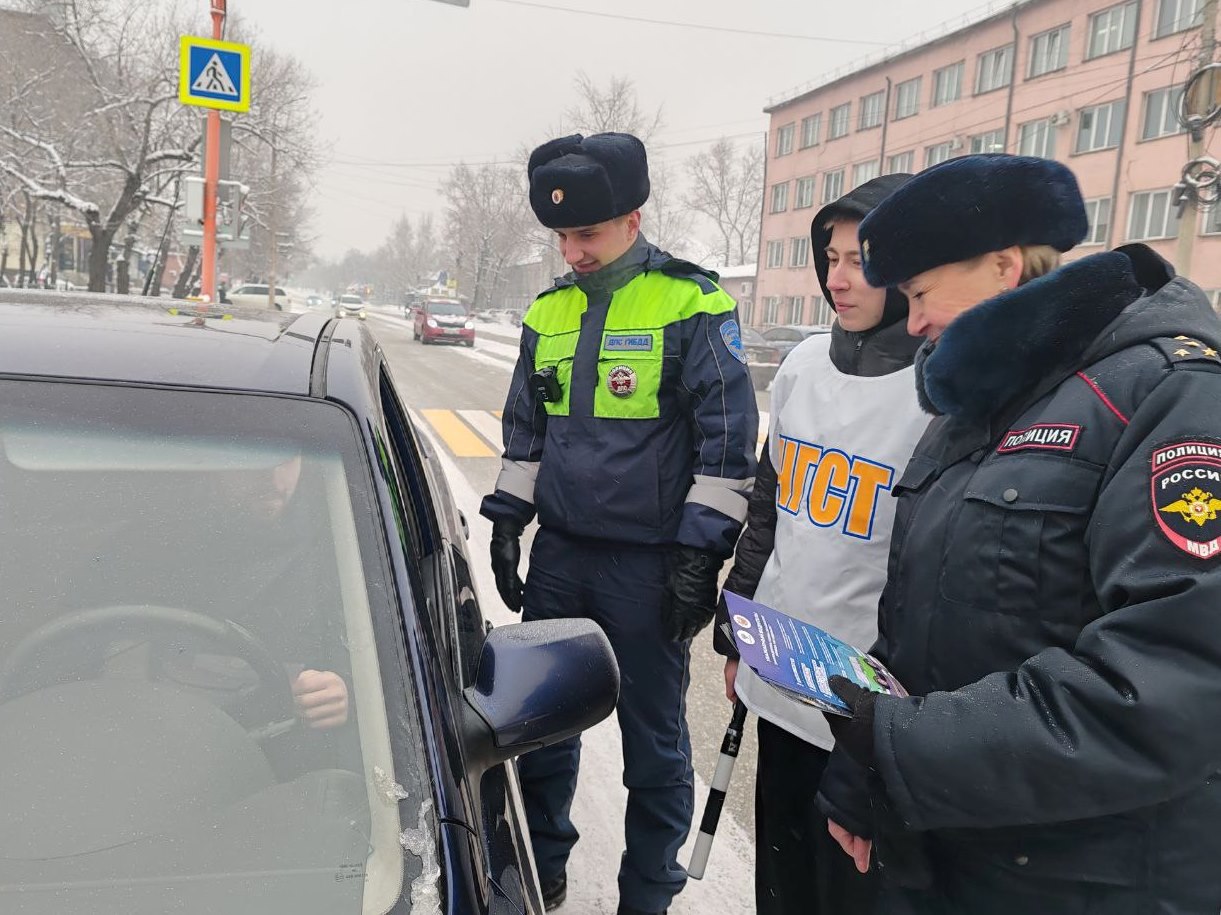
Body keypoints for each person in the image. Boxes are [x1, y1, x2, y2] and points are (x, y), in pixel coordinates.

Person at [817, 153, 1221, 914]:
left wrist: (903, 746)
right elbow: (923, 619)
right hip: (959, 850)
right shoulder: (976, 407)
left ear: (1002, 267)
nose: (914, 322)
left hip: (1091, 881)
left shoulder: (1170, 397)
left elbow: (1170, 685)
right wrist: (866, 764)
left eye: (920, 291)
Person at [480, 131, 758, 915]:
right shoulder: (548, 311)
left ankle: (647, 893)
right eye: (562, 236)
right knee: (542, 727)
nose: (572, 251)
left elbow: (728, 445)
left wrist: (700, 558)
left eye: (587, 234)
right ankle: (545, 863)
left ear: (632, 220)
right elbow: (525, 434)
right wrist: (508, 521)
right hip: (562, 557)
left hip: (647, 566)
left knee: (654, 746)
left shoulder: (690, 301)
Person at [712, 174, 925, 915]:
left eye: (859, 260)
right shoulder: (801, 364)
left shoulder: (937, 392)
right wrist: (735, 622)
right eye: (828, 257)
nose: (836, 278)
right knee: (782, 886)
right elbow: (770, 507)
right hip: (780, 673)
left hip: (864, 708)